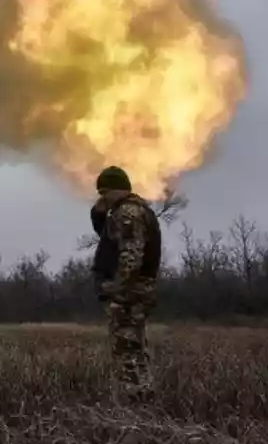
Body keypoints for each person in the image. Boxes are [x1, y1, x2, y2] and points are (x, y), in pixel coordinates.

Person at [90, 165, 162, 402]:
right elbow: (110, 240)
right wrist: (99, 215)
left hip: (130, 293)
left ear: (116, 190)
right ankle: (144, 395)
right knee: (135, 347)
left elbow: (130, 256)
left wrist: (118, 290)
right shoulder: (134, 210)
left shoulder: (128, 213)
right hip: (138, 290)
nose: (103, 199)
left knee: (126, 348)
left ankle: (134, 402)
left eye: (104, 193)